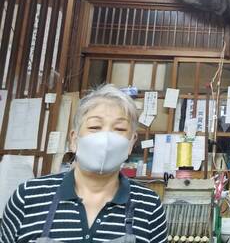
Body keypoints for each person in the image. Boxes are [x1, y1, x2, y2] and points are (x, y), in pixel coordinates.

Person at [0, 84, 167, 243]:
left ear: (131, 143)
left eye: (120, 129)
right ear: (74, 139)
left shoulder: (149, 205)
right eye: (95, 127)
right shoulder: (28, 196)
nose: (106, 138)